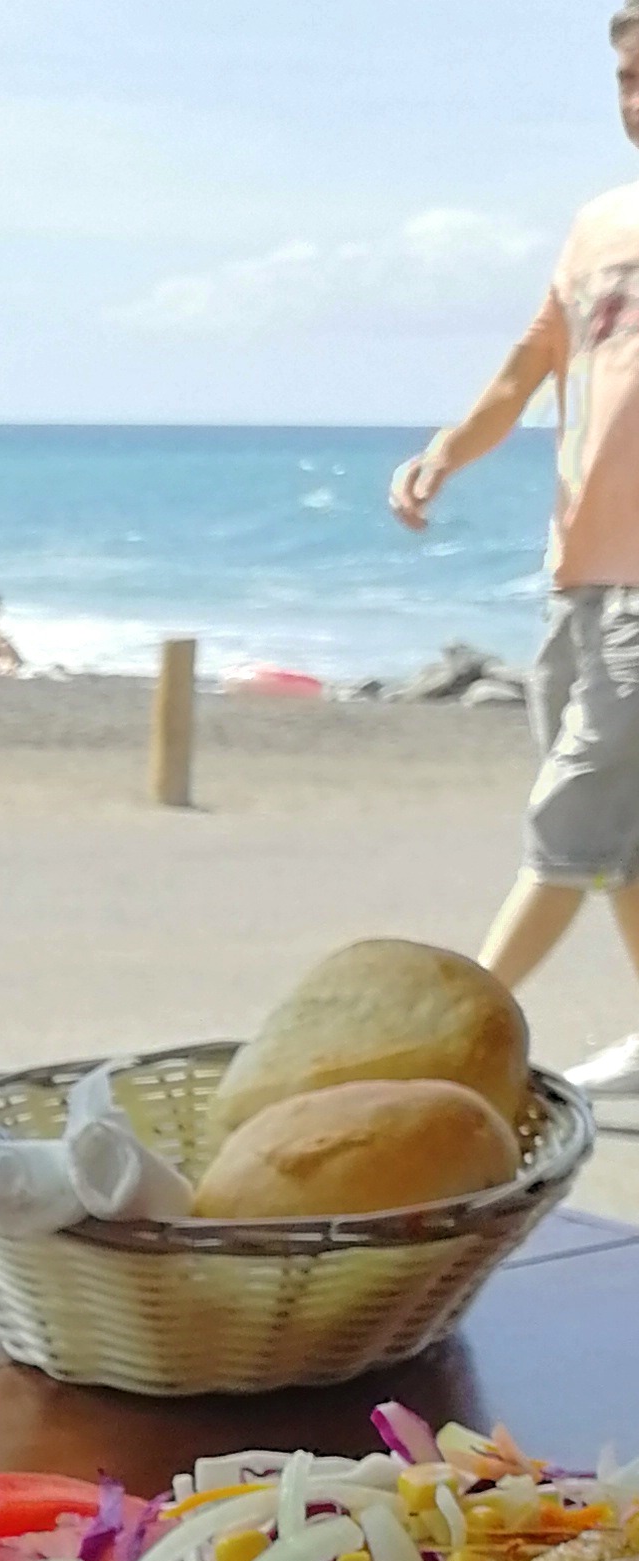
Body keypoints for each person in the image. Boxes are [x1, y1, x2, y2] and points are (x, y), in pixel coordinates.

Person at [393, 6, 639, 992]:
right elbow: (531, 365)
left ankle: (459, 1031)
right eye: (625, 78)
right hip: (575, 579)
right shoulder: (597, 227)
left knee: (568, 820)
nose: (637, 100)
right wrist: (446, 453)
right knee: (617, 836)